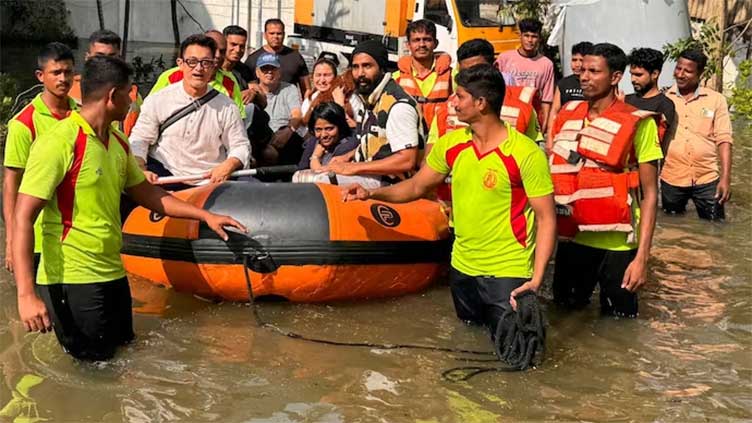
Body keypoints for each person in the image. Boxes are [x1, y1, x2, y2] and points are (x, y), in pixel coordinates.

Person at [12, 55, 247, 361]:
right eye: (129, 94)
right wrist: (26, 295)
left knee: (123, 354)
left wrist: (205, 216)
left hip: (111, 270)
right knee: (91, 369)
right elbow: (22, 217)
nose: (133, 102)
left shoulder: (118, 141)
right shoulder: (59, 143)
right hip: (72, 277)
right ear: (112, 96)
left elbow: (149, 194)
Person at [342, 64, 556, 329]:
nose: (451, 102)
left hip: (509, 271)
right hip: (462, 266)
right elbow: (416, 187)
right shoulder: (453, 144)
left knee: (514, 353)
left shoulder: (526, 153)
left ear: (481, 103)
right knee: (468, 338)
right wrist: (371, 193)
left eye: (460, 96)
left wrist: (536, 280)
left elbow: (547, 219)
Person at [549, 43, 663, 318]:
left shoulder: (639, 123)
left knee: (619, 326)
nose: (584, 76)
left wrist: (641, 259)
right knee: (563, 317)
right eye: (582, 70)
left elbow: (649, 195)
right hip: (572, 241)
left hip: (618, 246)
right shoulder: (567, 114)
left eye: (593, 71)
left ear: (615, 77)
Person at [129, 34, 251, 189]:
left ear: (214, 65)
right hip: (164, 178)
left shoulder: (227, 106)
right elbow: (140, 140)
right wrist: (140, 169)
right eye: (192, 62)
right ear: (180, 63)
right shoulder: (158, 100)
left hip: (210, 182)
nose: (198, 69)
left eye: (205, 62)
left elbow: (240, 146)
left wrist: (229, 165)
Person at [3, 42, 77, 274]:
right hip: (36, 235)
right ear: (40, 76)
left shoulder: (82, 116)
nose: (63, 79)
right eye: (56, 72)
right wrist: (11, 241)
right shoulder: (23, 124)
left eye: (68, 72)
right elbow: (11, 183)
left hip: (75, 234)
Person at [316, 39, 424, 188]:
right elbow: (377, 144)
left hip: (395, 186)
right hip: (372, 175)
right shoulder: (370, 100)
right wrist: (347, 157)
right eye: (355, 67)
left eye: (367, 66)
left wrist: (352, 168)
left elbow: (406, 160)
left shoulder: (398, 106)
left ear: (381, 68)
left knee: (317, 183)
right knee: (302, 177)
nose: (360, 73)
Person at [660, 48, 733, 221]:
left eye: (688, 71)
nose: (680, 74)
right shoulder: (664, 98)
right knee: (671, 225)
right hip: (672, 176)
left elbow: (724, 140)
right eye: (678, 68)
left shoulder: (716, 100)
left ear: (700, 73)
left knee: (716, 227)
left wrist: (725, 179)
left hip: (707, 178)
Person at [449, 39, 543, 142]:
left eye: (478, 70)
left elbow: (535, 147)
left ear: (495, 67)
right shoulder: (447, 107)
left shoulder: (522, 105)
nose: (470, 77)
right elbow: (433, 152)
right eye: (464, 72)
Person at [149, 31, 247, 120]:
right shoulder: (171, 77)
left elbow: (238, 119)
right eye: (213, 49)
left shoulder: (229, 82)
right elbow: (150, 111)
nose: (217, 55)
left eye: (222, 51)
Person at [393, 19, 453, 152]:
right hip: (408, 144)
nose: (422, 44)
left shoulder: (452, 76)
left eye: (427, 39)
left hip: (441, 143)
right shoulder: (396, 78)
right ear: (408, 45)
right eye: (416, 40)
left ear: (435, 43)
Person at [68, 29, 142, 136]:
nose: (106, 62)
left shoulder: (132, 96)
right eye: (99, 56)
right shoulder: (67, 90)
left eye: (112, 57)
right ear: (87, 57)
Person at [495, 18, 555, 133]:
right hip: (506, 116)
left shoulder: (547, 64)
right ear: (520, 36)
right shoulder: (504, 58)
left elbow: (546, 100)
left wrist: (544, 124)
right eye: (526, 36)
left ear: (539, 39)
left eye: (534, 36)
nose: (530, 40)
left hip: (532, 120)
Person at [254, 52, 305, 166]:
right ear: (257, 73)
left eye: (273, 68)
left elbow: (296, 115)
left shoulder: (289, 89)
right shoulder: (252, 91)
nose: (269, 72)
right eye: (265, 68)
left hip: (284, 138)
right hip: (262, 140)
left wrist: (289, 130)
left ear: (280, 72)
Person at [624, 47, 676, 152]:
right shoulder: (625, 100)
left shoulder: (665, 105)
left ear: (655, 74)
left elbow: (656, 141)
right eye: (632, 74)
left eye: (638, 75)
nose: (633, 79)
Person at [546, 41, 592, 150]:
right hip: (563, 136)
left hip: (586, 137)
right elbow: (554, 111)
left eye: (581, 60)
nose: (577, 64)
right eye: (574, 60)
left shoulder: (595, 83)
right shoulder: (563, 83)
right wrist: (549, 138)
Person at [245, 19, 310, 95]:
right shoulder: (253, 59)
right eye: (272, 33)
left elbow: (306, 89)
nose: (275, 36)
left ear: (284, 35)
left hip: (290, 104)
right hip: (263, 104)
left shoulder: (296, 57)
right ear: (265, 35)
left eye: (279, 33)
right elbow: (248, 88)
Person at [296, 102, 358, 170]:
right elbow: (301, 169)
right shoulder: (313, 142)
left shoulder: (348, 145)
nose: (323, 135)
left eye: (329, 129)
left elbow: (326, 175)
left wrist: (315, 157)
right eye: (318, 130)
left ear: (340, 127)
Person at [301, 54, 356, 128]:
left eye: (327, 75)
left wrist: (340, 105)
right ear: (312, 77)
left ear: (335, 77)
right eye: (318, 75)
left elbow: (358, 127)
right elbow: (302, 126)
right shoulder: (310, 99)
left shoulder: (349, 97)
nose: (322, 80)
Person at [221, 25, 267, 109]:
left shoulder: (244, 70)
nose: (238, 50)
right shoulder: (213, 68)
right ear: (223, 44)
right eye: (233, 44)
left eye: (242, 46)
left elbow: (263, 101)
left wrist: (253, 92)